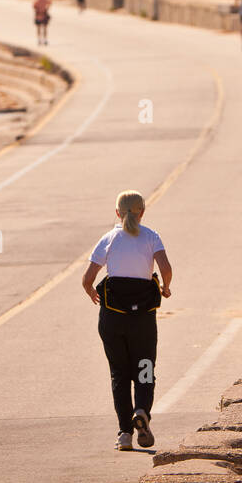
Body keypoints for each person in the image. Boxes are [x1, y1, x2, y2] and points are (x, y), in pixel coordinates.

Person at [82, 191, 171, 452]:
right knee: (144, 368)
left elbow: (87, 278)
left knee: (119, 374)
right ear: (142, 212)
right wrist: (166, 287)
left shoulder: (109, 238)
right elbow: (166, 267)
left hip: (113, 317)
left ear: (117, 213)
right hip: (143, 318)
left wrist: (91, 292)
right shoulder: (151, 236)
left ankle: (124, 434)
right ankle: (141, 410)